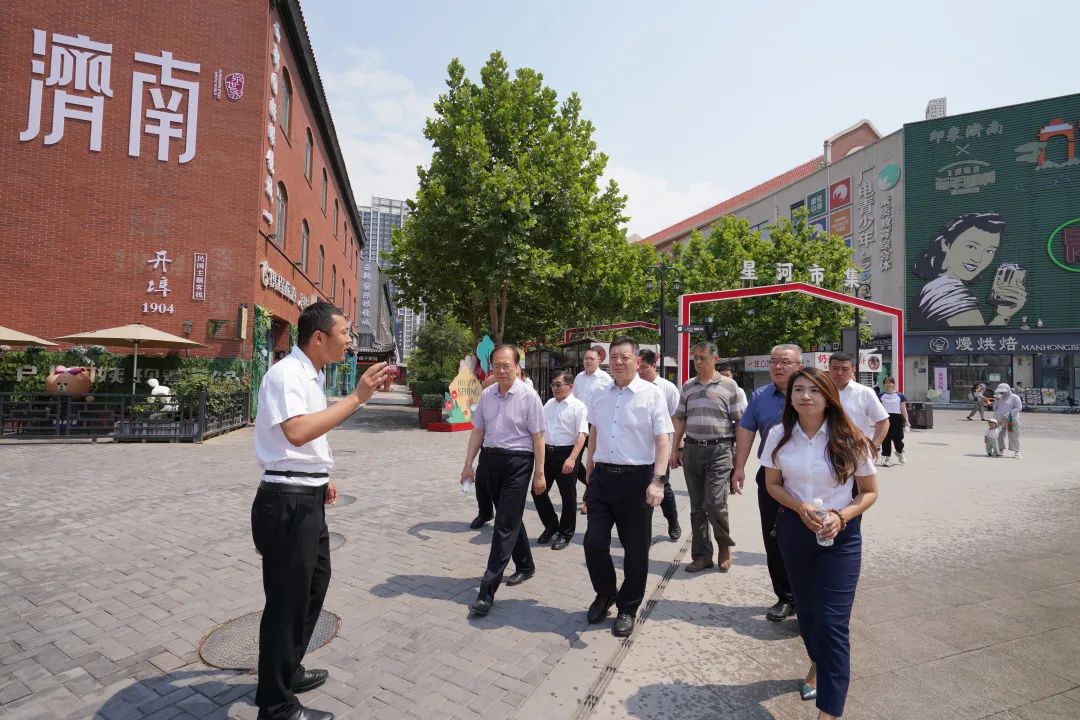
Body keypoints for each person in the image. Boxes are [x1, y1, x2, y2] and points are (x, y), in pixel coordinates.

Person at [253, 301, 389, 720]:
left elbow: (312, 433)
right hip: (287, 502)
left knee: (315, 583)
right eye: (345, 333)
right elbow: (296, 432)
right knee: (287, 603)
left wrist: (323, 473)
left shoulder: (311, 375)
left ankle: (287, 669)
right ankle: (276, 706)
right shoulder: (286, 375)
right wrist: (358, 397)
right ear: (318, 337)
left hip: (306, 495)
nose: (350, 341)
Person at [760, 367, 878, 719]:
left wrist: (842, 516)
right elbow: (772, 484)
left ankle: (829, 711)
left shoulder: (851, 438)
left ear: (829, 396)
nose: (805, 396)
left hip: (841, 537)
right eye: (798, 389)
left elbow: (869, 492)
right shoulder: (779, 435)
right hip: (795, 532)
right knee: (809, 615)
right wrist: (799, 508)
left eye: (814, 390)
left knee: (832, 623)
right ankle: (817, 661)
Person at [584, 336, 672, 637]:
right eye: (614, 357)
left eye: (625, 357)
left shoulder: (652, 394)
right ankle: (605, 593)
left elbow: (663, 440)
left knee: (635, 549)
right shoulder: (600, 393)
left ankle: (628, 607)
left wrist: (658, 480)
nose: (619, 362)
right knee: (594, 542)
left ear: (637, 361)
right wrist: (589, 471)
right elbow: (594, 433)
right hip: (602, 478)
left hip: (637, 480)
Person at [461, 345, 546, 616]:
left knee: (504, 525)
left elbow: (538, 436)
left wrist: (540, 472)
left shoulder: (529, 396)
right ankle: (525, 564)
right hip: (490, 461)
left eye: (506, 365)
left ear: (517, 367)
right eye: (497, 365)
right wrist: (468, 464)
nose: (501, 370)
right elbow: (478, 431)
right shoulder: (487, 395)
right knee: (510, 517)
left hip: (518, 464)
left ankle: (486, 591)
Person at [733, 343, 802, 622]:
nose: (778, 366)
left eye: (785, 361)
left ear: (799, 366)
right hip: (772, 476)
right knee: (774, 537)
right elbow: (746, 430)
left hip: (808, 477)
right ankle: (785, 597)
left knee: (808, 536)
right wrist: (739, 467)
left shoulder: (814, 392)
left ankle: (810, 596)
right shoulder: (760, 396)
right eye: (773, 361)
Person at [671, 342, 744, 573]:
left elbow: (740, 423)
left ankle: (724, 545)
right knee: (697, 507)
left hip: (720, 450)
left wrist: (739, 459)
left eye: (702, 357)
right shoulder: (688, 386)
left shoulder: (730, 386)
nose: (698, 362)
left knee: (714, 503)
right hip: (692, 450)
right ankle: (702, 555)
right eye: (695, 358)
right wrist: (675, 448)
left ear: (715, 358)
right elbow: (680, 418)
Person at [911, 211, 1026, 328]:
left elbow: (977, 338)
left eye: (989, 251)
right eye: (971, 246)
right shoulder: (947, 289)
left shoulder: (935, 288)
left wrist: (1003, 314)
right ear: (946, 244)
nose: (978, 259)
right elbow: (977, 339)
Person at [534, 371, 587, 550]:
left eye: (558, 385)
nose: (554, 388)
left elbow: (582, 434)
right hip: (547, 452)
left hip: (567, 454)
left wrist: (572, 458)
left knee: (568, 496)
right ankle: (551, 525)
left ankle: (565, 533)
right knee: (537, 491)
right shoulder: (549, 404)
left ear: (570, 387)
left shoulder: (578, 407)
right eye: (553, 385)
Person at [637, 349, 683, 541]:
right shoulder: (633, 386)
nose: (640, 371)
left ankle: (673, 522)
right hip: (638, 449)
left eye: (644, 367)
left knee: (663, 486)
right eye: (638, 367)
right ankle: (641, 534)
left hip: (661, 448)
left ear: (654, 366)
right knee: (640, 491)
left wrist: (674, 449)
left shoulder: (667, 388)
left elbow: (676, 420)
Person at [828, 352, 888, 459]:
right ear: (829, 368)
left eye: (845, 369)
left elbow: (883, 421)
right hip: (824, 453)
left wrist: (873, 447)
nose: (839, 373)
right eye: (835, 368)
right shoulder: (820, 391)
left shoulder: (865, 393)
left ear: (853, 369)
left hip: (856, 454)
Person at [573, 347, 613, 508]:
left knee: (595, 461)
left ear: (599, 360)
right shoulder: (578, 377)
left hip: (596, 425)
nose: (588, 361)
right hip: (579, 424)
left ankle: (589, 499)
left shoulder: (605, 379)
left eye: (591, 358)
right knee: (574, 460)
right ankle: (590, 484)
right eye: (586, 358)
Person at [877, 378, 909, 467]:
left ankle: (899, 452)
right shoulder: (881, 396)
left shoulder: (900, 396)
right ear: (884, 384)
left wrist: (907, 421)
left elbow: (903, 409)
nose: (888, 385)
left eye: (890, 383)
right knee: (886, 438)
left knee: (898, 438)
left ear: (894, 384)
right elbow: (878, 409)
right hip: (885, 418)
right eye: (886, 383)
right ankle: (887, 458)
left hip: (897, 419)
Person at [992, 383, 1022, 459]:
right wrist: (996, 401)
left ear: (1008, 390)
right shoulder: (999, 398)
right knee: (999, 435)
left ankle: (1017, 451)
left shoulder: (1015, 397)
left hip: (1011, 420)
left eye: (1003, 391)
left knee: (1013, 434)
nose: (1002, 393)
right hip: (1000, 420)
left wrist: (1008, 414)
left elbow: (1019, 408)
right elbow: (994, 408)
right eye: (1001, 392)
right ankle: (1000, 449)